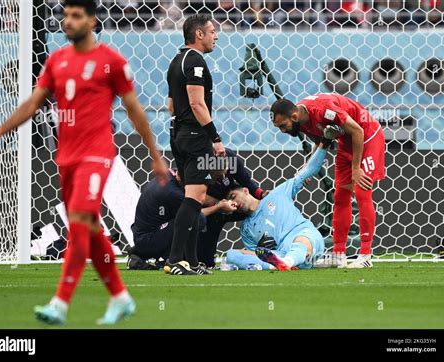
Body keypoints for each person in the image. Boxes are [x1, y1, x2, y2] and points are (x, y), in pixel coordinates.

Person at [0, 0, 168, 325]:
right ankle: (121, 297)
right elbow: (33, 104)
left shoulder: (111, 62)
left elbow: (134, 110)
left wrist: (154, 154)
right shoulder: (57, 61)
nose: (68, 21)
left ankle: (60, 303)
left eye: (76, 15)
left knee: (79, 218)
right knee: (90, 227)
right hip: (66, 156)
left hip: (97, 153)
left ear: (92, 20)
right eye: (65, 15)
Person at [270, 93, 385, 268]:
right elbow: (321, 142)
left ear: (294, 116)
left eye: (283, 126)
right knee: (340, 197)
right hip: (346, 143)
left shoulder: (324, 110)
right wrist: (307, 167)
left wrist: (356, 169)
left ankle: (365, 255)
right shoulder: (301, 121)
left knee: (362, 192)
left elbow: (357, 131)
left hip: (367, 138)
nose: (283, 131)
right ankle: (338, 254)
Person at [128, 149, 267, 269]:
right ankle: (171, 259)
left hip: (155, 230)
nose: (223, 178)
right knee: (197, 219)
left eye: (224, 174)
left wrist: (262, 195)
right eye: (217, 177)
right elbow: (195, 213)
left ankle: (196, 259)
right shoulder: (174, 193)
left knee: (204, 219)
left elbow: (245, 179)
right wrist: (218, 206)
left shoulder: (185, 175)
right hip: (148, 239)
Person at [165, 13, 223, 275]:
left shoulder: (176, 61)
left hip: (178, 133)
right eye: (212, 31)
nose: (215, 36)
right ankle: (175, 260)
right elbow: (197, 103)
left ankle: (192, 262)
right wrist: (215, 138)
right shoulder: (196, 61)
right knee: (196, 197)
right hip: (194, 136)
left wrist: (181, 132)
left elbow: (171, 106)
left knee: (193, 198)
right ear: (198, 34)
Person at [225, 140, 334, 271]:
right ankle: (279, 264)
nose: (234, 203)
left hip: (303, 237)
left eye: (233, 197)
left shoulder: (278, 193)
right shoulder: (246, 229)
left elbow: (310, 170)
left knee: (302, 240)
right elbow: (258, 253)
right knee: (231, 255)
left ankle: (287, 262)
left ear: (245, 190)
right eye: (231, 202)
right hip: (281, 253)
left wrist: (324, 144)